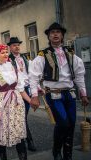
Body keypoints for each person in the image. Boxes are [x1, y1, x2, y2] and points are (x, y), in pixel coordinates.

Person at [29, 22, 89, 160]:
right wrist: (34, 96)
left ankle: (68, 155)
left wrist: (84, 93)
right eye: (52, 33)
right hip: (53, 93)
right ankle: (56, 151)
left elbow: (79, 75)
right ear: (49, 37)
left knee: (71, 124)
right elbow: (33, 77)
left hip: (70, 93)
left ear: (62, 36)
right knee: (63, 123)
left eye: (58, 32)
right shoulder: (42, 55)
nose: (55, 34)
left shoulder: (72, 54)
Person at [0, 44, 32, 160]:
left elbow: (20, 88)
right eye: (2, 52)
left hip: (15, 104)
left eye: (6, 52)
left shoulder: (13, 68)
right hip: (0, 104)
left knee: (19, 133)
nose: (5, 54)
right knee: (1, 134)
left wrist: (30, 100)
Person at [8, 37, 36, 151]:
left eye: (18, 45)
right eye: (14, 45)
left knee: (23, 117)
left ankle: (23, 138)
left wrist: (37, 88)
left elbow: (31, 74)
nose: (17, 47)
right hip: (16, 91)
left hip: (27, 88)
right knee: (22, 117)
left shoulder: (25, 58)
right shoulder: (8, 60)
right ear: (10, 47)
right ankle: (28, 140)